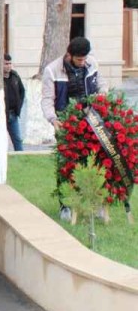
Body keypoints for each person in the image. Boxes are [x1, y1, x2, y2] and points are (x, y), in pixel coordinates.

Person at [40, 37, 108, 219]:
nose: (82, 62)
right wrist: (53, 120)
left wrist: (101, 97)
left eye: (84, 58)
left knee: (96, 161)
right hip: (66, 123)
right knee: (67, 165)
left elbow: (102, 84)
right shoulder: (52, 70)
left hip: (92, 120)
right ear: (69, 55)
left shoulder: (91, 63)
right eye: (79, 59)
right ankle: (66, 206)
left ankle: (97, 203)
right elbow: (47, 99)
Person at [4, 54, 26, 151]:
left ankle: (22, 159)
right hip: (2, 115)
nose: (8, 66)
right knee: (1, 140)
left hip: (13, 114)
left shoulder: (15, 76)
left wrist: (19, 106)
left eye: (9, 63)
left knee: (17, 140)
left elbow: (22, 91)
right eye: (6, 64)